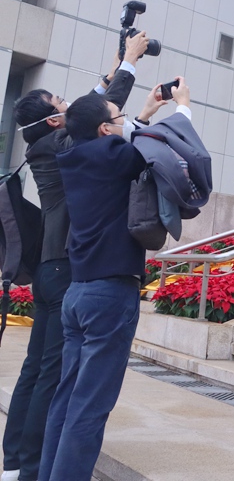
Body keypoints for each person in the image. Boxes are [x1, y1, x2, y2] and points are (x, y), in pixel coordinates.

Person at [3, 34, 149, 481]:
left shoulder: (43, 147)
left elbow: (91, 113)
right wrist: (129, 64)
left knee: (38, 369)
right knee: (55, 376)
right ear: (52, 120)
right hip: (70, 268)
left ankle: (14, 458)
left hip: (49, 270)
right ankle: (31, 466)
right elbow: (95, 120)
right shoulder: (65, 144)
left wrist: (115, 69)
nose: (68, 106)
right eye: (60, 103)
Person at [39, 81, 193, 481]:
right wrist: (183, 109)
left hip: (79, 293)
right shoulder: (112, 154)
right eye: (117, 117)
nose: (123, 122)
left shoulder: (73, 155)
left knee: (66, 399)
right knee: (90, 408)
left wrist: (141, 113)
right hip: (109, 295)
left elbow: (126, 145)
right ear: (106, 129)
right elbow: (163, 154)